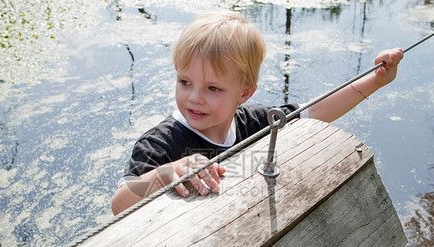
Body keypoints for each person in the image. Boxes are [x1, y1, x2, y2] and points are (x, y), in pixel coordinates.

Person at [111, 12, 403, 215]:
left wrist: (377, 80)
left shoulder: (253, 122)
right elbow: (119, 204)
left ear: (244, 93)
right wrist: (166, 174)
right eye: (185, 82)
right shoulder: (160, 143)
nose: (194, 98)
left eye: (213, 88)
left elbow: (316, 111)